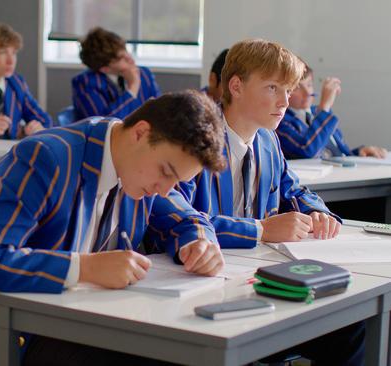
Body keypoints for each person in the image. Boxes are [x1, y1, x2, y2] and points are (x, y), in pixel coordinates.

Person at [0, 91, 228, 365]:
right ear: (141, 133)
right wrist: (84, 268)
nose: (164, 189)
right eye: (166, 172)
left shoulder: (142, 170)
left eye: (177, 181)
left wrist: (199, 242)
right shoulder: (45, 158)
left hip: (82, 327)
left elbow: (188, 218)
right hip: (4, 340)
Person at [177, 38, 363, 365]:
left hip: (256, 277)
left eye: (288, 91)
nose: (285, 101)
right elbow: (183, 217)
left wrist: (317, 212)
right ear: (235, 86)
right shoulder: (196, 136)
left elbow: (294, 191)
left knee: (351, 327)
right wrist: (260, 229)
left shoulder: (267, 139)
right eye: (273, 88)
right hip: (203, 285)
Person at [276, 63, 387, 159]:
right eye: (297, 88)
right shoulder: (280, 121)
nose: (307, 92)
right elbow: (307, 150)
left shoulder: (318, 113)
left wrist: (358, 153)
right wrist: (324, 107)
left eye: (309, 85)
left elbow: (336, 155)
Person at [72, 27, 161, 121]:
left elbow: (159, 110)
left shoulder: (144, 73)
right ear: (104, 69)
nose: (130, 58)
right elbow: (103, 125)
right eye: (120, 58)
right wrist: (132, 89)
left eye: (125, 50)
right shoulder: (85, 83)